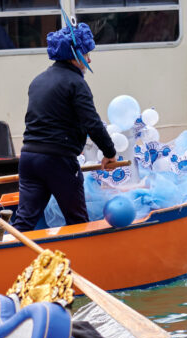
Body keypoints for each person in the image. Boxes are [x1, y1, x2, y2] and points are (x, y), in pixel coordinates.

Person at [13, 21, 116, 232]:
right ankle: (82, 263)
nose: (89, 58)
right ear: (74, 56)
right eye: (86, 53)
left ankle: (6, 260)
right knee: (77, 221)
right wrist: (109, 152)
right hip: (58, 160)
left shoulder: (38, 80)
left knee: (23, 223)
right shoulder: (76, 83)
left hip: (29, 158)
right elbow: (92, 123)